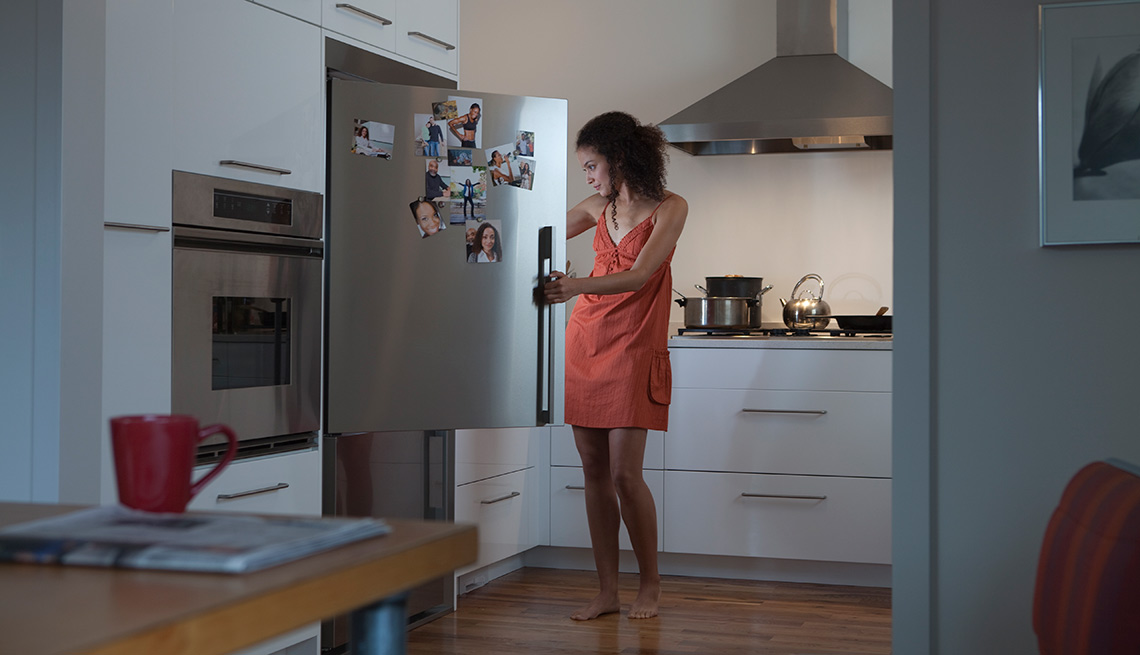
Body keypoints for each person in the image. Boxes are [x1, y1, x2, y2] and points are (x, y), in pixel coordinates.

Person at [543, 111, 687, 622]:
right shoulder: (594, 208)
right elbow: (538, 233)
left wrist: (575, 285)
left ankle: (650, 585)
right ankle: (607, 591)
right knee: (593, 471)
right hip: (586, 341)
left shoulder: (671, 208)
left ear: (619, 158)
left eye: (591, 165)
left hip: (632, 349)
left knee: (627, 475)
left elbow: (642, 274)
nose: (587, 176)